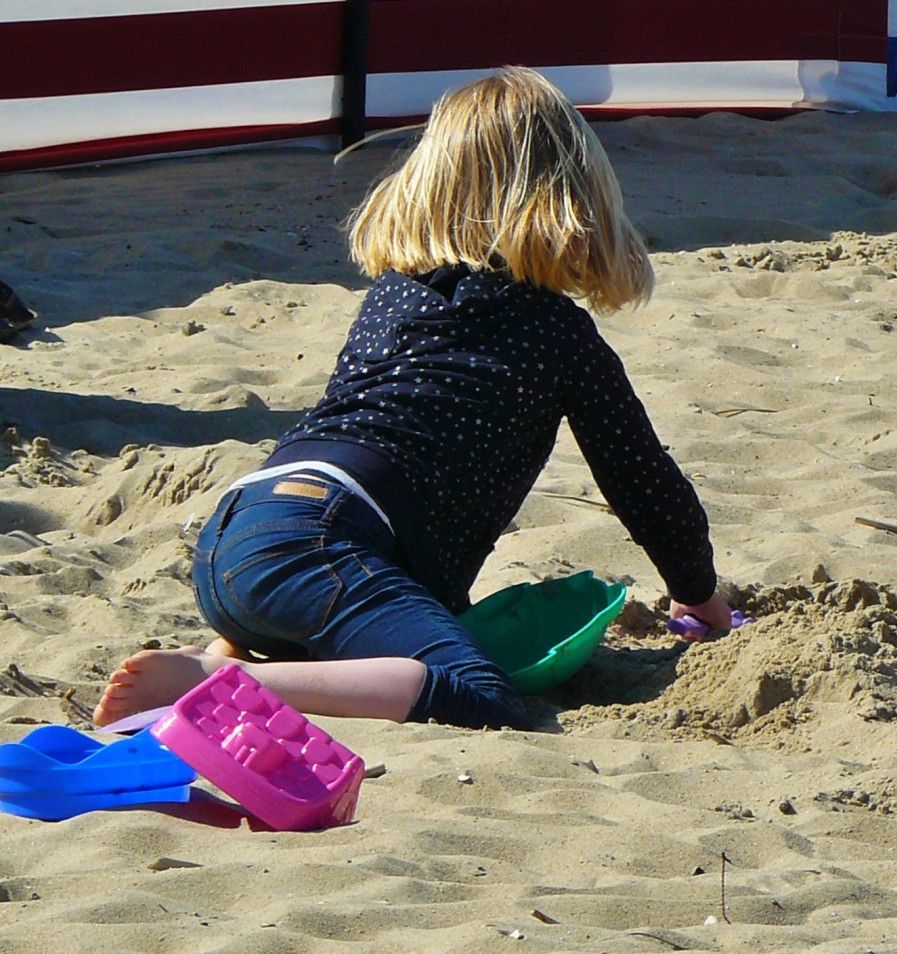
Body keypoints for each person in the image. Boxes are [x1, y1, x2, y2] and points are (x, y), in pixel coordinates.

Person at [94, 67, 734, 730]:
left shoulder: (393, 297)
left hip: (235, 536)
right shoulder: (557, 331)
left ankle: (235, 647)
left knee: (361, 623)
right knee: (478, 692)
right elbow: (641, 479)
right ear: (576, 199)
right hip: (319, 544)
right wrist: (697, 592)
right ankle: (222, 677)